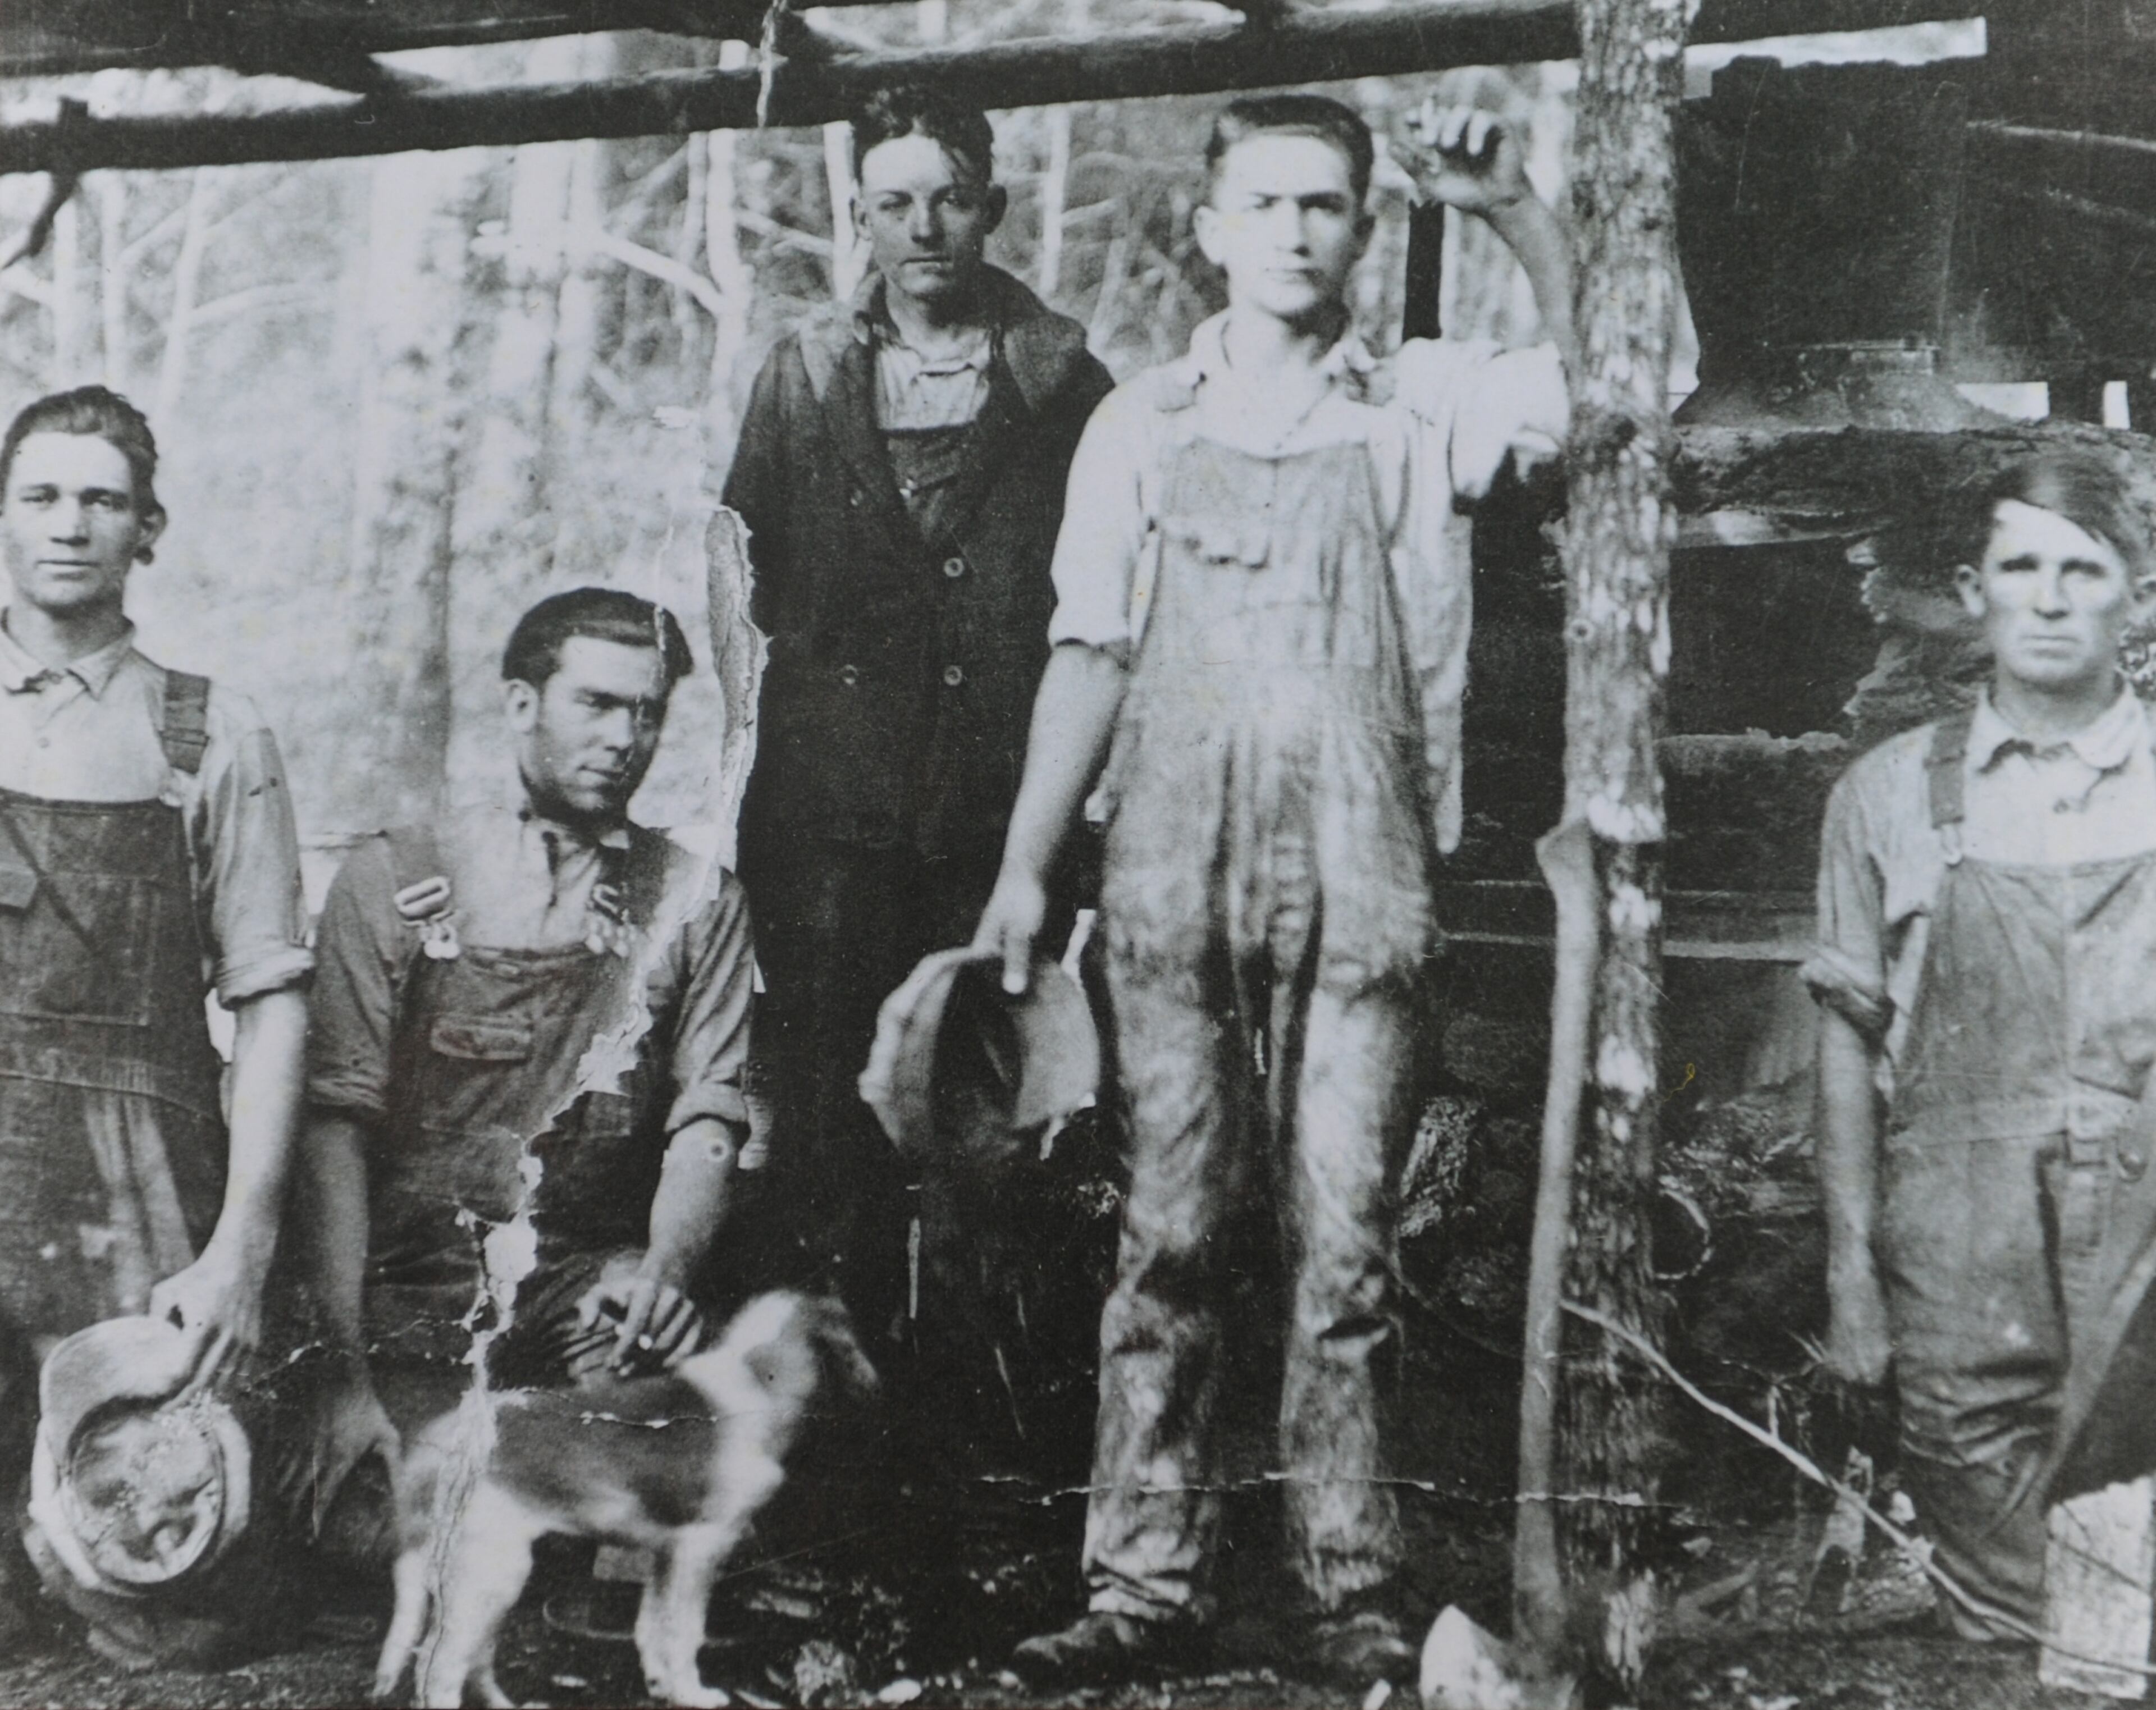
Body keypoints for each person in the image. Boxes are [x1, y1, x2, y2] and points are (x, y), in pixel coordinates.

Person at [971, 94, 1572, 1689]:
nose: (1296, 231)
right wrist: (1027, 868)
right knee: (1167, 1232)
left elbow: (1633, 390)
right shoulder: (1140, 424)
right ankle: (1141, 1586)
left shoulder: (1420, 407)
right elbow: (1090, 648)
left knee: (1347, 1242)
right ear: (1211, 227)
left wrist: (1516, 208)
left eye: (1326, 204)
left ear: (1364, 227)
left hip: (1367, 873)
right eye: (1267, 202)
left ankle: (1348, 1587)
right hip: (1168, 872)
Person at [723, 86, 1113, 1373]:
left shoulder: (1064, 382)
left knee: (984, 1109)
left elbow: (1108, 596)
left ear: (989, 207)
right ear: (862, 217)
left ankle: (975, 1400)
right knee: (829, 1104)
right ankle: (831, 1404)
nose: (925, 228)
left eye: (949, 199)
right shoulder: (805, 373)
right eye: (894, 204)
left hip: (997, 816)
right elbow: (747, 576)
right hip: (828, 816)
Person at [298, 589, 757, 1540]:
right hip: (406, 1292)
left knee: (664, 1440)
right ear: (521, 704)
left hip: (576, 1286)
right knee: (373, 1529)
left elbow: (708, 1121)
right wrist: (342, 1369)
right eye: (597, 704)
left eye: (648, 713)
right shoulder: (393, 878)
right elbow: (333, 1131)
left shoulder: (696, 901)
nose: (624, 739)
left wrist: (664, 1272)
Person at [1807, 449, 2156, 1640]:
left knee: (2117, 1609)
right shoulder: (1885, 795)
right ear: (1972, 592)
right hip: (1963, 1271)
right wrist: (1852, 1279)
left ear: (2137, 598)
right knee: (2016, 1618)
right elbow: (1845, 1046)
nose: (2049, 601)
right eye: (2021, 568)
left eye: (2083, 571)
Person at [0, 386, 312, 1660]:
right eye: (41, 494)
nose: (69, 524)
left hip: (131, 1196)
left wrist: (242, 1247)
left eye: (103, 499)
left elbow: (274, 1003)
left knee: (165, 1581)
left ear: (149, 528)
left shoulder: (211, 731)